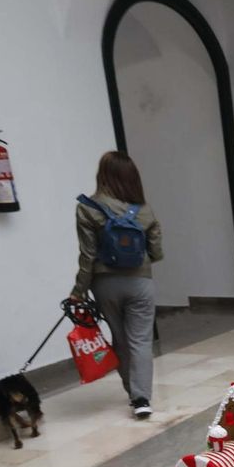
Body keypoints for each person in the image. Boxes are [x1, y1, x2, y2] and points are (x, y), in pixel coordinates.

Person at [70, 151, 163, 419]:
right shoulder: (144, 210)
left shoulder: (87, 207)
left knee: (120, 338)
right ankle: (141, 397)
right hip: (140, 282)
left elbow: (87, 255)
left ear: (102, 175)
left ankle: (131, 391)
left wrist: (78, 291)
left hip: (105, 283)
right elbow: (156, 251)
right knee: (141, 340)